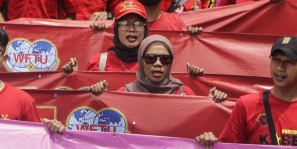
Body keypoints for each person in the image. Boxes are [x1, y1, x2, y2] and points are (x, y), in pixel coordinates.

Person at [90, 36, 227, 101]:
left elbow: (197, 127)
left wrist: (211, 106)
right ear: (141, 61)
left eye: (165, 59)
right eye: (150, 58)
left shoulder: (185, 93)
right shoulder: (124, 93)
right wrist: (98, 98)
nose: (157, 63)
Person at [84, 0, 147, 72]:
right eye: (125, 23)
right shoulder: (99, 63)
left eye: (138, 24)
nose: (131, 29)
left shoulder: (154, 64)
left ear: (145, 28)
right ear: (116, 28)